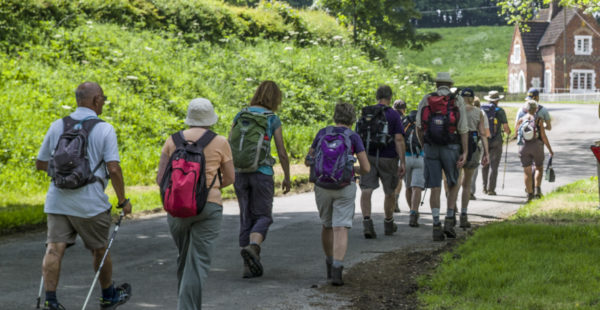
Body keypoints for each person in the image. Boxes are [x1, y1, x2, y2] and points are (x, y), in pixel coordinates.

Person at [35, 82, 132, 310]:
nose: (104, 102)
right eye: (104, 98)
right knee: (100, 249)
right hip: (90, 204)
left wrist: (63, 174)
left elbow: (40, 164)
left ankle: (51, 301)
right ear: (96, 99)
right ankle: (108, 295)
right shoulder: (104, 129)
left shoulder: (57, 125)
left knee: (53, 249)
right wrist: (122, 201)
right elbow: (114, 169)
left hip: (57, 200)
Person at [156, 98, 235, 309]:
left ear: (190, 118)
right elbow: (230, 177)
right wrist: (210, 188)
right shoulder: (220, 142)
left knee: (184, 259)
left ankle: (186, 305)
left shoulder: (172, 140)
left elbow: (160, 178)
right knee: (197, 262)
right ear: (210, 118)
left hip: (176, 208)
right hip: (208, 207)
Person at [230, 81, 291, 278]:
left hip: (240, 172)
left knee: (246, 216)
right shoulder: (272, 119)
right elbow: (281, 152)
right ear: (276, 98)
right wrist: (287, 177)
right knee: (263, 216)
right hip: (262, 173)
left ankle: (247, 266)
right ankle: (254, 247)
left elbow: (229, 141)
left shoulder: (241, 114)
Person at [305, 102, 370, 286]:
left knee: (326, 225)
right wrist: (351, 170)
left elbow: (308, 160)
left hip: (322, 186)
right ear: (352, 118)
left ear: (335, 115)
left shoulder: (322, 133)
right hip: (344, 186)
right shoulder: (353, 137)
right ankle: (337, 270)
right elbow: (366, 168)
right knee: (340, 228)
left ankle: (328, 263)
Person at [416, 72, 468, 241]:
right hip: (451, 147)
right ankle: (450, 220)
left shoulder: (426, 99)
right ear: (450, 84)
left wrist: (424, 144)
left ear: (437, 84)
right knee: (453, 182)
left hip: (431, 147)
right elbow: (463, 129)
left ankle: (436, 224)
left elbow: (418, 126)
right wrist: (465, 151)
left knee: (435, 187)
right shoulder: (456, 100)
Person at [356, 85, 406, 238]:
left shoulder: (367, 112)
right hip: (388, 158)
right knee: (389, 191)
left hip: (368, 156)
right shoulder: (393, 114)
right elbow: (398, 139)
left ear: (377, 96)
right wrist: (402, 161)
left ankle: (367, 223)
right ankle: (388, 223)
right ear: (390, 97)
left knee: (366, 189)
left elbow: (358, 135)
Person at [457, 89, 489, 228]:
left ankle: (451, 213)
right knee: (467, 183)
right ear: (472, 98)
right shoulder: (478, 112)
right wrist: (486, 153)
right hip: (473, 147)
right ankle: (464, 214)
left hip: (456, 147)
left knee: (455, 182)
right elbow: (483, 133)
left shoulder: (456, 110)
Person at [516, 100, 554, 200]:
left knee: (527, 172)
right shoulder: (538, 120)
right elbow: (543, 136)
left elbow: (516, 134)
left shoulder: (521, 119)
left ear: (526, 109)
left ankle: (529, 194)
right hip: (537, 146)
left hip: (524, 148)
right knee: (538, 168)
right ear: (536, 109)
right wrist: (550, 149)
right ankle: (537, 191)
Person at [481, 90, 511, 196]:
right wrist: (509, 132)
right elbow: (506, 128)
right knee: (494, 166)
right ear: (497, 100)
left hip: (484, 140)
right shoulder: (500, 111)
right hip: (496, 141)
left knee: (484, 163)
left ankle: (484, 187)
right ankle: (491, 189)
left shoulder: (482, 109)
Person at [401, 109, 425, 227]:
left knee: (408, 187)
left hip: (405, 158)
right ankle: (414, 213)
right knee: (417, 188)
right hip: (420, 157)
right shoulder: (423, 123)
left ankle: (411, 210)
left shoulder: (404, 122)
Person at [470, 96, 490, 200]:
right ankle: (470, 191)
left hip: (462, 142)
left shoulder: (464, 111)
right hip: (476, 142)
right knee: (474, 167)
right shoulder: (481, 113)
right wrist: (486, 152)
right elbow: (485, 133)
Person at [392, 99, 407, 213]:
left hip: (392, 153)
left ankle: (394, 201)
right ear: (404, 110)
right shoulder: (406, 120)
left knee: (395, 178)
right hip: (406, 152)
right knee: (402, 179)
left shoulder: (390, 119)